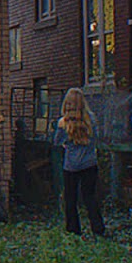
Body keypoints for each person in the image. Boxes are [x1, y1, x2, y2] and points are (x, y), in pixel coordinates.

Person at [53, 87, 107, 237]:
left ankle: (73, 231)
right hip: (89, 163)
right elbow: (96, 137)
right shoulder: (91, 119)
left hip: (71, 166)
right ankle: (98, 229)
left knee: (70, 199)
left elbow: (56, 142)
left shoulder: (63, 122)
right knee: (90, 197)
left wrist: (66, 141)